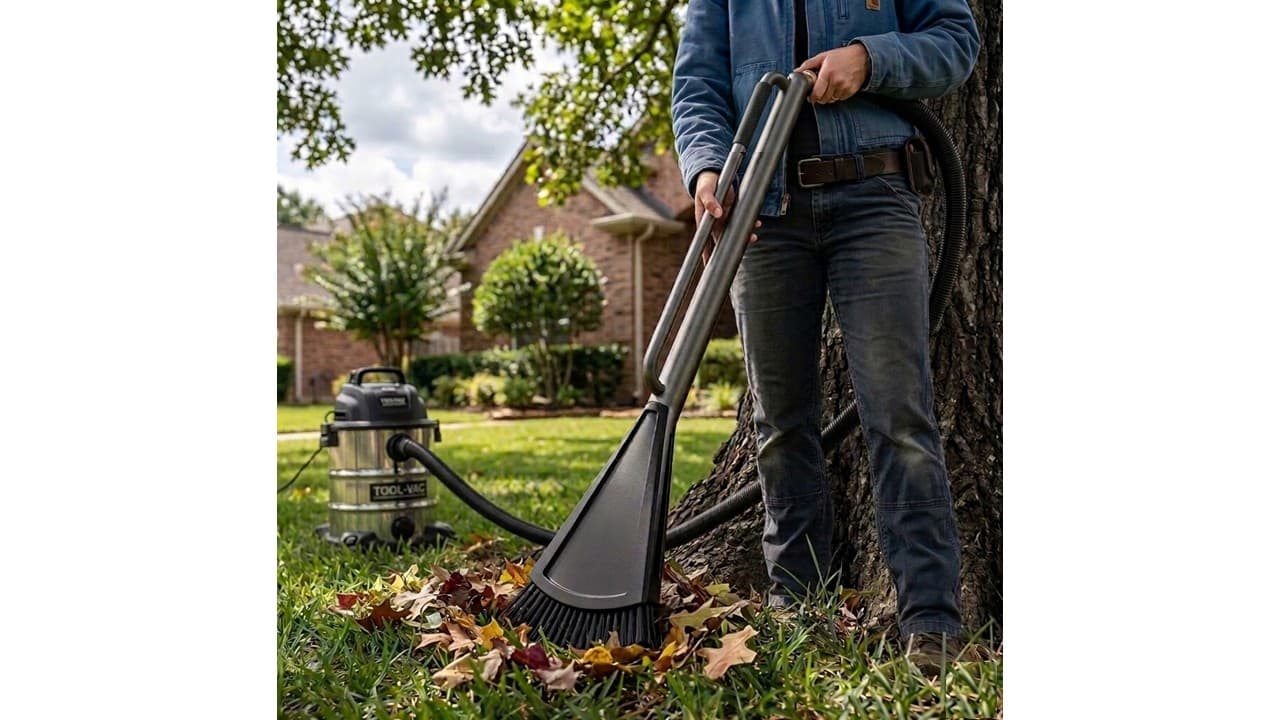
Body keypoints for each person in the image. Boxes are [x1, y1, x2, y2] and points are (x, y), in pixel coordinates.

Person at [671, 0, 981, 668]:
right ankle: (798, 610)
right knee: (778, 423)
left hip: (875, 197)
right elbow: (697, 82)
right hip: (761, 212)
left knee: (899, 415)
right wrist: (704, 172)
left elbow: (956, 41)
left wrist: (872, 59)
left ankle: (931, 619)